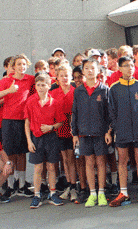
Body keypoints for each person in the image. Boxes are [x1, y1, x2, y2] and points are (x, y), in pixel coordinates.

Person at [108, 56, 138, 207]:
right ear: (120, 68)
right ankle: (123, 193)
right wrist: (115, 128)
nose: (130, 68)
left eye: (132, 65)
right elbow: (111, 111)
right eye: (126, 66)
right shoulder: (114, 88)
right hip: (122, 131)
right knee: (122, 160)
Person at [0, 54, 36, 196]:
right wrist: (8, 91)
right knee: (9, 154)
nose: (22, 67)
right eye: (19, 64)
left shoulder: (31, 79)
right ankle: (10, 185)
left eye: (24, 64)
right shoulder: (5, 81)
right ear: (13, 67)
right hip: (8, 121)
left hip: (24, 121)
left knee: (21, 153)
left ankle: (21, 185)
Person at [71, 57, 111, 207]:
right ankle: (92, 193)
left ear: (98, 70)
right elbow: (75, 112)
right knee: (88, 162)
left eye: (92, 68)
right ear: (82, 71)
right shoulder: (78, 91)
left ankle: (101, 193)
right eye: (86, 68)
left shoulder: (104, 89)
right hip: (83, 133)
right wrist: (75, 133)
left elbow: (109, 114)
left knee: (100, 162)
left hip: (100, 133)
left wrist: (108, 131)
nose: (90, 71)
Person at [24, 73, 65, 209]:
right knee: (38, 167)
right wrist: (29, 141)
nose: (40, 87)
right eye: (38, 85)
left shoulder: (55, 103)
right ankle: (37, 195)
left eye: (43, 85)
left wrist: (51, 127)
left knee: (51, 167)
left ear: (49, 86)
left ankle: (52, 193)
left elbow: (60, 121)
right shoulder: (30, 101)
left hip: (51, 138)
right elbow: (27, 122)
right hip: (36, 138)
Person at [50, 64, 79, 202]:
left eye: (66, 75)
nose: (64, 78)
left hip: (72, 129)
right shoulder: (53, 93)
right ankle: (68, 184)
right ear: (57, 78)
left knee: (72, 158)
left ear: (71, 76)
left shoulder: (76, 91)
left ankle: (74, 186)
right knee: (65, 160)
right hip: (59, 128)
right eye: (61, 76)